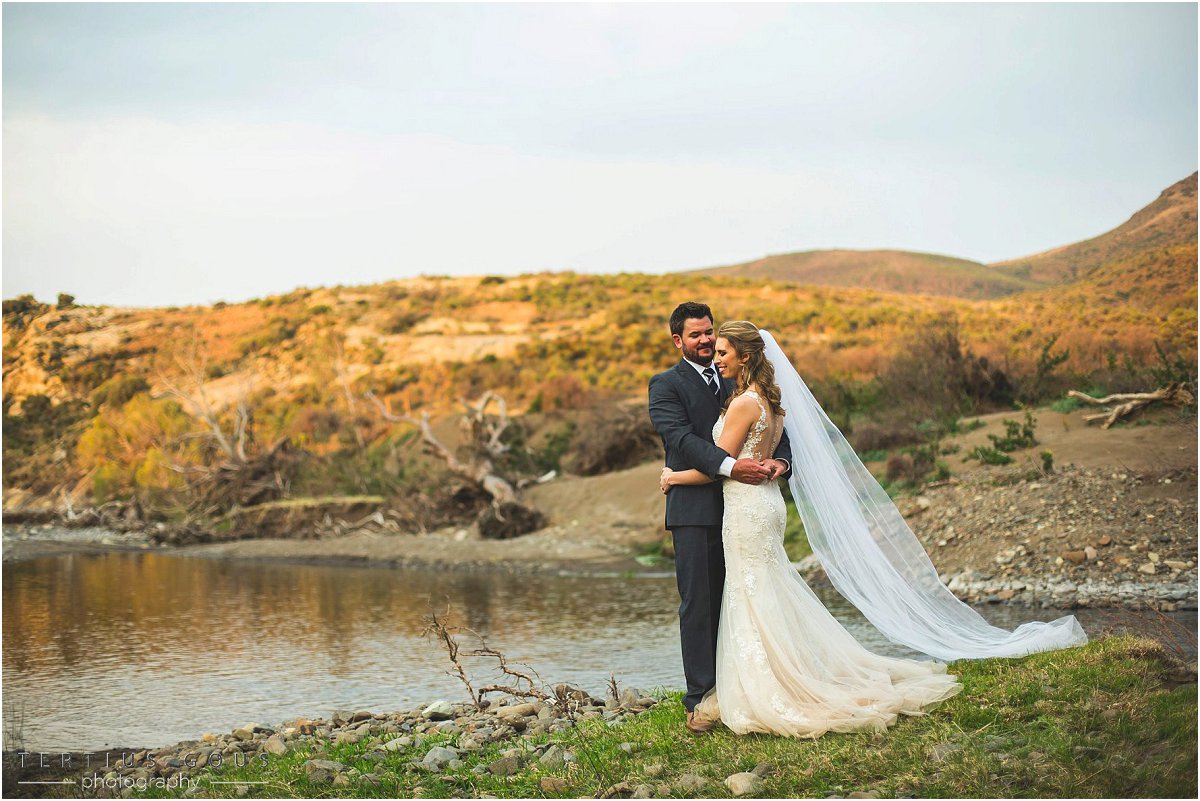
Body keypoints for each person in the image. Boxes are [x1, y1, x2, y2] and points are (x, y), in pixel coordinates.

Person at [660, 321, 1088, 738]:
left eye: (722, 350)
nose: (716, 355)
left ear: (745, 356)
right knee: (765, 591)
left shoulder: (742, 403)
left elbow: (721, 463)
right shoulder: (768, 399)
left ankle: (767, 686)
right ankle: (773, 676)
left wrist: (673, 477)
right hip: (765, 504)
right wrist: (768, 462)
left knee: (752, 592)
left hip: (747, 508)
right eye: (709, 345)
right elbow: (744, 450)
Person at [647, 303, 794, 735]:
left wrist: (781, 463)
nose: (706, 340)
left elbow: (777, 431)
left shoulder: (739, 379)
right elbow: (680, 440)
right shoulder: (665, 385)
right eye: (696, 335)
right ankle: (700, 699)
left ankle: (753, 686)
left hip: (745, 508)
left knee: (750, 599)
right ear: (678, 340)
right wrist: (731, 467)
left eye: (709, 332)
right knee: (700, 603)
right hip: (696, 510)